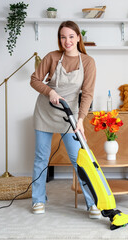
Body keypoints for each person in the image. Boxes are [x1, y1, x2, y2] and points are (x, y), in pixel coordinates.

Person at [30, 21, 100, 219]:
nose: (67, 41)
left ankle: (92, 202)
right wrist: (50, 91)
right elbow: (34, 79)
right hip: (45, 112)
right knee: (41, 157)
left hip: (70, 114)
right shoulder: (52, 57)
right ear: (59, 39)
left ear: (78, 37)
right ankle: (38, 199)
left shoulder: (88, 62)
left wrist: (80, 120)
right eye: (63, 37)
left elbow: (87, 94)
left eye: (71, 36)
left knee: (80, 160)